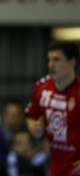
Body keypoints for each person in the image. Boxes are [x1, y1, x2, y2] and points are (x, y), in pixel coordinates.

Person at [26, 41, 80, 176]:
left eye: (56, 60)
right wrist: (35, 128)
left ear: (72, 62)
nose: (50, 65)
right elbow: (31, 116)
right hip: (54, 165)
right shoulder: (41, 88)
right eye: (49, 59)